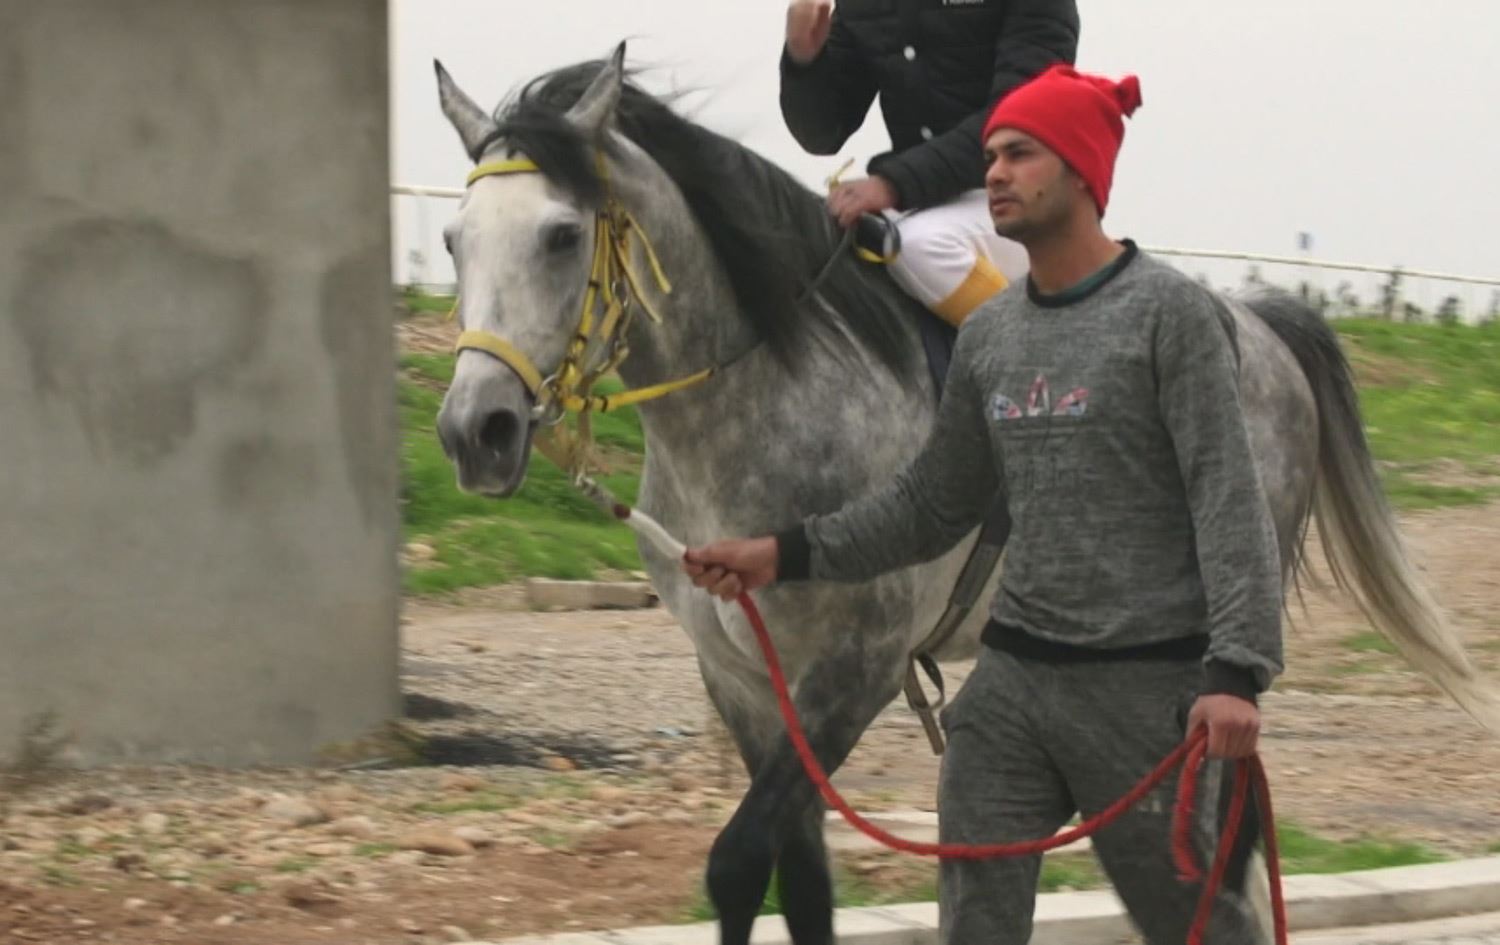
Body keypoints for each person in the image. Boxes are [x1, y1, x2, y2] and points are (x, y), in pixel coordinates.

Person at [684, 64, 1284, 945]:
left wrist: (1237, 672)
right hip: (1009, 689)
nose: (994, 172)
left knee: (1195, 925)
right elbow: (931, 502)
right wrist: (780, 552)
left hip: (1141, 689)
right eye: (992, 153)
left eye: (1020, 154)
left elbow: (1228, 497)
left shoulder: (1170, 317)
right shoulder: (994, 333)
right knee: (974, 926)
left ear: (1081, 171)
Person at [780, 0, 1079, 327]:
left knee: (920, 245)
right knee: (800, 246)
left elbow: (1018, 119)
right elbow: (824, 133)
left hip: (1021, 200)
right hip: (917, 202)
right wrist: (804, 61)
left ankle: (1039, 357)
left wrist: (893, 184)